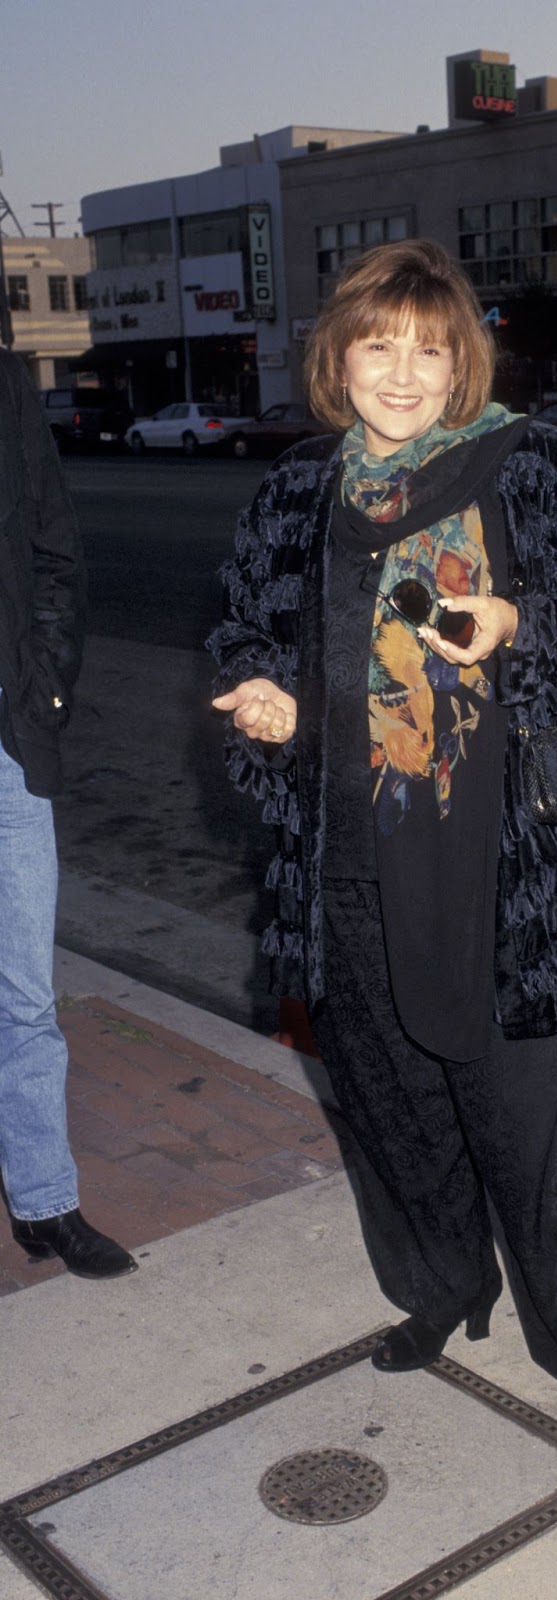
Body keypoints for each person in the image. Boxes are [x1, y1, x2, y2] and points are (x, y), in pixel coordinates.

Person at [209, 240, 557, 1477]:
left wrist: (523, 623)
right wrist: (263, 696)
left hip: (491, 873)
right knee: (389, 1108)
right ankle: (440, 1285)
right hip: (344, 863)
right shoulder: (301, 492)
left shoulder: (529, 469)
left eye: (428, 346)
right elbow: (251, 631)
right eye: (378, 344)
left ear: (462, 357)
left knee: (527, 1133)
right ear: (339, 356)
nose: (403, 373)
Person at [0, 350, 136, 1278]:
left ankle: (45, 1201)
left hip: (5, 741)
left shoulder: (8, 390)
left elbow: (56, 553)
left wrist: (42, 687)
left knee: (24, 996)